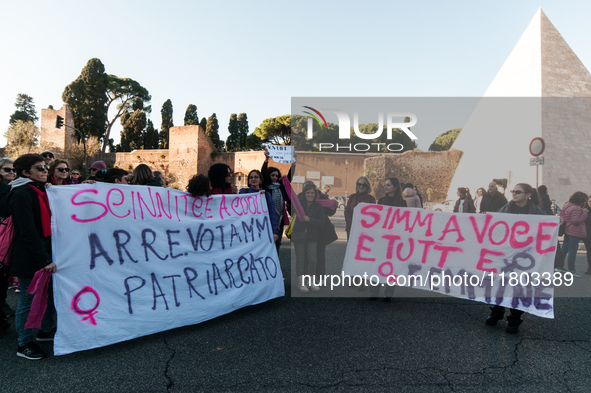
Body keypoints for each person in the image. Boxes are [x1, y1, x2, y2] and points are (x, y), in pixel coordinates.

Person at [8, 154, 57, 360]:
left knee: (49, 294)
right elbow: (28, 232)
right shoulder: (21, 194)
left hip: (44, 253)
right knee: (27, 300)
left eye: (45, 167)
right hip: (30, 257)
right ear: (26, 173)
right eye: (39, 167)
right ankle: (24, 343)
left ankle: (46, 331)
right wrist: (44, 260)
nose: (45, 170)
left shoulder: (41, 191)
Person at [485, 183, 544, 334]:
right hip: (505, 254)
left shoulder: (537, 212)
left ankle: (515, 319)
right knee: (499, 284)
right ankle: (496, 312)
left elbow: (547, 230)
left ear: (528, 195)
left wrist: (559, 224)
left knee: (519, 288)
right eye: (513, 191)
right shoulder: (504, 209)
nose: (514, 194)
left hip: (526, 257)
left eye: (518, 192)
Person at [371, 177, 406, 301]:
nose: (385, 187)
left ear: (395, 187)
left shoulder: (402, 203)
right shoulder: (381, 201)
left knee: (392, 266)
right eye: (385, 185)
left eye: (388, 185)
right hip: (381, 238)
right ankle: (374, 292)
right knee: (377, 265)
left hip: (395, 240)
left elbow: (404, 222)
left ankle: (388, 293)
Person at [291, 182, 325, 293]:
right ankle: (301, 283)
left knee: (313, 260)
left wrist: (310, 220)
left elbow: (322, 223)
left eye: (312, 193)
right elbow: (291, 213)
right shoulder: (298, 204)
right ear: (304, 194)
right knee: (300, 259)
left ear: (315, 194)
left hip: (312, 236)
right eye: (307, 192)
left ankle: (311, 282)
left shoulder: (318, 206)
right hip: (299, 234)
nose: (310, 195)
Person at [261, 152, 294, 251]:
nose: (275, 177)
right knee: (267, 245)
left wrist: (294, 163)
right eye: (272, 175)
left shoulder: (280, 187)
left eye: (276, 175)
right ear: (268, 176)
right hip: (267, 220)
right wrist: (266, 160)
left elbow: (289, 177)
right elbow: (262, 173)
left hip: (279, 220)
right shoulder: (265, 187)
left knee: (277, 245)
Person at [239, 169, 278, 242]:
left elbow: (272, 215)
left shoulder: (266, 195)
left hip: (261, 230)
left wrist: (273, 232)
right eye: (251, 177)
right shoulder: (243, 192)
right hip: (246, 230)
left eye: (256, 177)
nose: (253, 179)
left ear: (260, 180)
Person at [556, 191, 588, 277]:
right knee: (572, 251)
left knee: (564, 249)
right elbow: (575, 220)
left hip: (567, 230)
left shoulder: (567, 205)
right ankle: (571, 269)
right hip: (574, 231)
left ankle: (559, 266)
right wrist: (584, 214)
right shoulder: (576, 208)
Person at [0, 157, 16, 318]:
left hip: (7, 235)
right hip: (2, 234)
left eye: (13, 169)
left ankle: (2, 303)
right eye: (7, 169)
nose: (11, 172)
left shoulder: (13, 187)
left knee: (4, 272)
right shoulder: (6, 189)